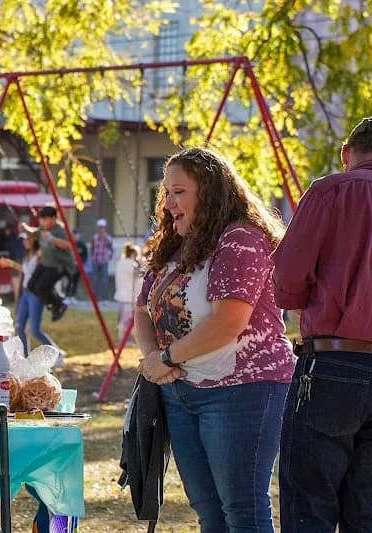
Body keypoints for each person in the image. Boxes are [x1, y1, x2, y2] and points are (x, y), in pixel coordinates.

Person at [134, 147, 295, 532]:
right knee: (208, 510)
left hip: (243, 390)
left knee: (242, 508)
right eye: (166, 193)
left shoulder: (241, 238)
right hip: (181, 390)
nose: (169, 203)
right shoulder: (176, 242)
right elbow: (142, 310)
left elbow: (228, 322)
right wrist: (155, 358)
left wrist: (167, 358)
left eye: (179, 192)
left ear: (208, 191)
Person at [272, 117, 372, 532]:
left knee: (308, 508)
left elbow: (287, 276)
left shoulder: (332, 189)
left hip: (333, 364)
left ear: (347, 153)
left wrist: (303, 301)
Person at [0, 231, 61, 357]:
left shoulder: (40, 254)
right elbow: (25, 270)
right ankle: (25, 356)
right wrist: (10, 263)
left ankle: (56, 353)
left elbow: (48, 249)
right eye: (24, 240)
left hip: (35, 294)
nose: (24, 242)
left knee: (35, 330)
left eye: (27, 239)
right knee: (19, 326)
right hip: (26, 293)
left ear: (34, 240)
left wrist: (41, 235)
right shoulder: (27, 255)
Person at [25, 206, 74, 322]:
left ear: (53, 219)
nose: (42, 222)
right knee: (31, 285)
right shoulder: (43, 229)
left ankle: (59, 304)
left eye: (45, 219)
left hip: (59, 265)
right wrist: (25, 227)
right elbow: (34, 231)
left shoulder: (60, 230)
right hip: (45, 263)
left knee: (41, 287)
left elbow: (68, 245)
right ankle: (52, 301)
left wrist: (52, 239)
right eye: (41, 219)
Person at [113, 243, 142, 346]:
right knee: (128, 320)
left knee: (122, 319)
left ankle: (123, 338)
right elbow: (139, 274)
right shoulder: (130, 264)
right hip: (128, 297)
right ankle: (127, 340)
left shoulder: (120, 262)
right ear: (134, 254)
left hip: (122, 296)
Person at [89, 218, 114, 302]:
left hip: (104, 261)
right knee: (95, 280)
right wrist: (92, 258)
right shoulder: (94, 237)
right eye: (99, 227)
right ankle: (94, 298)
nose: (101, 229)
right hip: (95, 261)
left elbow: (111, 249)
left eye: (102, 227)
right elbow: (92, 248)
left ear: (104, 228)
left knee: (104, 280)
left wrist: (109, 257)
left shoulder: (108, 238)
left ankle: (105, 298)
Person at [66, 228, 88, 300]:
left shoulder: (82, 245)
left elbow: (85, 255)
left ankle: (73, 296)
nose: (75, 237)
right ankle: (67, 296)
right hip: (70, 265)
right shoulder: (68, 243)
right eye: (74, 235)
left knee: (75, 281)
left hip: (78, 266)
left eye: (76, 235)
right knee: (69, 280)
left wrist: (82, 263)